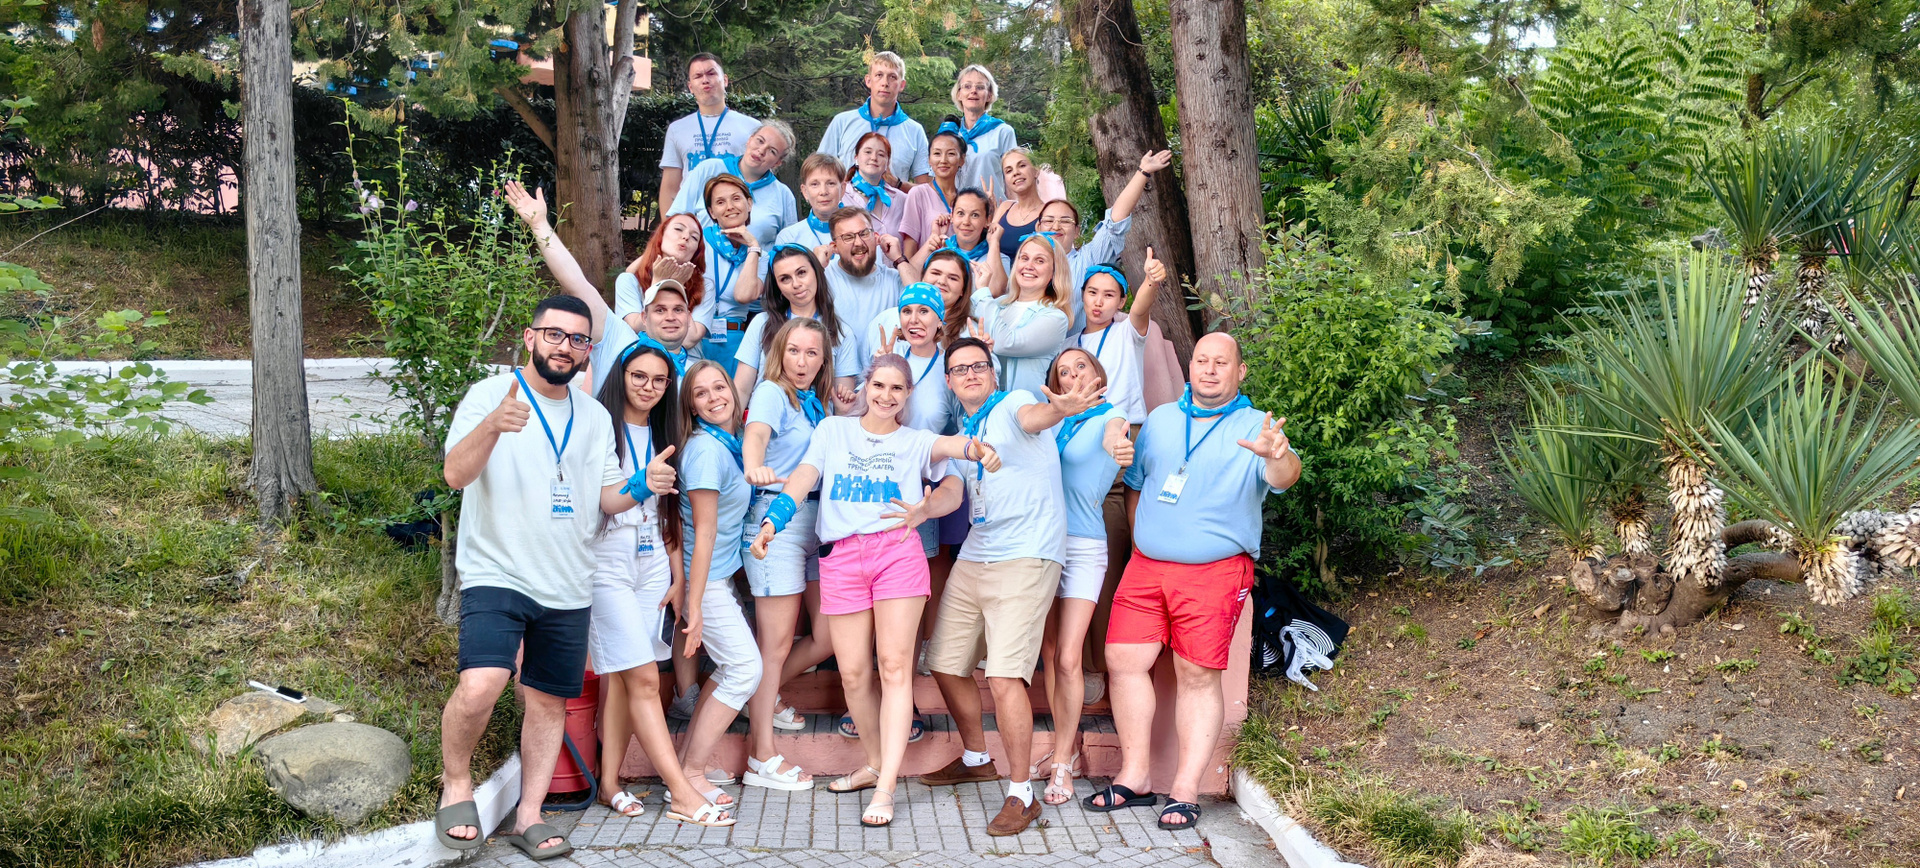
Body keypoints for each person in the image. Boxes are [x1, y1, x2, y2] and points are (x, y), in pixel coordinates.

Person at [433, 295, 648, 860]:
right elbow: (455, 474)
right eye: (554, 334)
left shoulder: (594, 416)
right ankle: (456, 784)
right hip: (497, 570)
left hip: (568, 580)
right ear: (530, 338)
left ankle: (529, 814)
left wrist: (643, 484)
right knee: (481, 684)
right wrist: (493, 427)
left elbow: (606, 496)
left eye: (578, 339)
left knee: (549, 703)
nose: (565, 347)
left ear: (587, 351)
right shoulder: (490, 395)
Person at [749, 353, 985, 827]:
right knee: (854, 674)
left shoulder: (915, 440)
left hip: (896, 554)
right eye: (879, 385)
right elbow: (805, 477)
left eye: (897, 388)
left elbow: (954, 463)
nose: (886, 395)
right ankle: (874, 762)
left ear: (908, 394)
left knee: (894, 668)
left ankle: (886, 787)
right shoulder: (833, 430)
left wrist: (975, 452)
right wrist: (774, 521)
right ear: (865, 387)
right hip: (841, 557)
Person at [1086, 333, 1301, 831]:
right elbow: (1136, 485)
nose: (1209, 369)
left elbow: (1285, 476)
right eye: (1202, 360)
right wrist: (1142, 542)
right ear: (1190, 367)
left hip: (1215, 570)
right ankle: (1135, 776)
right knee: (1123, 661)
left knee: (1197, 674)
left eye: (1221, 362)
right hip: (1147, 566)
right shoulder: (1161, 420)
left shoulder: (1258, 426)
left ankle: (1184, 789)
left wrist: (1277, 455)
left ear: (1239, 372)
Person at [917, 337, 1106, 838]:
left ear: (993, 373)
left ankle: (1021, 794)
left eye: (978, 366)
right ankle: (977, 758)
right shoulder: (964, 433)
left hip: (1028, 554)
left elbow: (1036, 417)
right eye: (960, 369)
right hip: (977, 553)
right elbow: (954, 490)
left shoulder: (1013, 403)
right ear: (949, 381)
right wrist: (924, 509)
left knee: (1004, 678)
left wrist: (1060, 407)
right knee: (945, 662)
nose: (970, 374)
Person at [586, 341, 736, 827]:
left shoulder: (663, 432)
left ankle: (609, 784)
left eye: (659, 379)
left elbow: (668, 509)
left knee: (625, 677)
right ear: (620, 376)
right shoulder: (597, 425)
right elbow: (601, 499)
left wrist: (677, 572)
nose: (648, 387)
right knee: (646, 678)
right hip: (607, 561)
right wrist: (640, 482)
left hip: (652, 563)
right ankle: (682, 793)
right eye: (639, 376)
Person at [736, 318, 837, 794]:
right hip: (777, 520)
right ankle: (761, 756)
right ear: (779, 352)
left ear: (823, 360)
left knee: (828, 635)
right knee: (773, 647)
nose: (802, 361)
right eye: (794, 350)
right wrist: (753, 464)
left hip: (818, 522)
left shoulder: (814, 402)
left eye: (811, 353)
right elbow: (756, 434)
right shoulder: (772, 392)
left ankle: (758, 694)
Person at [1032, 347, 1132, 805]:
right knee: (1051, 653)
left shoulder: (1112, 416)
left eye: (1081, 367)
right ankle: (1065, 748)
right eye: (1064, 371)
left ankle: (1061, 766)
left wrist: (1119, 446)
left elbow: (1116, 436)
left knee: (1069, 658)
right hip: (1041, 543)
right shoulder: (1053, 421)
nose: (1073, 375)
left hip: (1082, 545)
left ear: (1097, 374)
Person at [672, 360, 765, 812]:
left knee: (733, 668)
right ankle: (689, 774)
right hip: (703, 579)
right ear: (690, 406)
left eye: (719, 387)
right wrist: (694, 606)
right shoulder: (706, 450)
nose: (713, 398)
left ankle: (688, 764)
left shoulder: (728, 444)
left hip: (716, 576)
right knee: (745, 669)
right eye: (701, 393)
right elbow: (704, 532)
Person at [504, 182, 701, 386]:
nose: (670, 317)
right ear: (644, 316)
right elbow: (576, 282)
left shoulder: (697, 378)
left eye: (678, 310)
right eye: (659, 310)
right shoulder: (619, 341)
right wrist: (539, 225)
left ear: (689, 318)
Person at [1032, 150, 1173, 334]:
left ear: (1076, 231)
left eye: (1065, 221)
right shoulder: (1025, 264)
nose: (1056, 226)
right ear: (1038, 227)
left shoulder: (1089, 259)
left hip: (1076, 348)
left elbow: (1114, 223)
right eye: (1049, 220)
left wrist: (1143, 171)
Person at [734, 244, 861, 401]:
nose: (796, 284)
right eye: (785, 278)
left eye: (801, 273)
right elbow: (741, 390)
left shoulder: (842, 332)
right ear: (778, 287)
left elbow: (842, 401)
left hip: (818, 416)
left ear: (816, 272)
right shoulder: (761, 323)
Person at [668, 121, 799, 250]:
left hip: (756, 263)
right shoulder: (708, 169)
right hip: (701, 262)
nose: (761, 150)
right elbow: (676, 220)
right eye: (760, 141)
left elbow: (788, 249)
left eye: (772, 151)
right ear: (749, 140)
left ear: (778, 163)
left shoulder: (784, 195)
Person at [969, 232, 1072, 396]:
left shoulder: (1056, 318)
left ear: (1054, 272)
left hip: (1027, 409)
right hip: (987, 406)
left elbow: (1004, 343)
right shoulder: (997, 304)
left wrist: (982, 291)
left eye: (1040, 260)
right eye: (1024, 258)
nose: (1029, 266)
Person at [659, 53, 762, 211]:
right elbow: (669, 189)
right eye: (698, 76)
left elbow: (761, 181)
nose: (705, 80)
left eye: (711, 73)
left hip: (736, 215)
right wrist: (669, 224)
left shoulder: (752, 127)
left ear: (725, 80)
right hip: (692, 219)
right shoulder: (677, 129)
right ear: (690, 87)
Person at [1077, 247, 1166, 426]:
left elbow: (1140, 309)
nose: (1098, 302)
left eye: (1109, 295)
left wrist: (1150, 281)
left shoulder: (1127, 333)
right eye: (1092, 292)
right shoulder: (1067, 345)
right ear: (1082, 295)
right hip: (1079, 430)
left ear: (1121, 302)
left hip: (1125, 428)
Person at [817, 51, 931, 186]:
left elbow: (925, 191)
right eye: (879, 75)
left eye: (892, 77)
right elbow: (820, 174)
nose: (885, 83)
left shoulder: (915, 131)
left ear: (902, 85)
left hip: (894, 200)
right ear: (868, 80)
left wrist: (897, 184)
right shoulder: (842, 122)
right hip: (846, 200)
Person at [690, 174, 767, 367]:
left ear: (749, 204)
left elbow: (744, 295)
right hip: (694, 335)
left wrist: (753, 248)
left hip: (734, 341)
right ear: (712, 212)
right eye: (720, 202)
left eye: (736, 198)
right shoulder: (697, 243)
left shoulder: (760, 256)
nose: (730, 206)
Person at [820, 207, 907, 344]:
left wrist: (899, 259)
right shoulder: (824, 278)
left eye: (864, 233)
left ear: (876, 238)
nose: (859, 243)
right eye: (848, 237)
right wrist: (816, 266)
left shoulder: (895, 279)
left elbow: (921, 303)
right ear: (834, 247)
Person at [909, 187, 1007, 299]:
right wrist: (934, 237)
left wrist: (994, 243)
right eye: (960, 213)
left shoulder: (998, 258)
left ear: (987, 220)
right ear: (952, 216)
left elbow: (996, 291)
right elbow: (907, 278)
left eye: (975, 215)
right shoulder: (940, 250)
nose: (966, 222)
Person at [897, 118, 967, 261]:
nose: (943, 160)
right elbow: (909, 253)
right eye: (937, 154)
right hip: (926, 271)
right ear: (929, 159)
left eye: (951, 154)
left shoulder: (966, 200)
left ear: (962, 160)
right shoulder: (919, 194)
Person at [951, 65, 1018, 200]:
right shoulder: (950, 135)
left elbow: (1013, 181)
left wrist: (1012, 210)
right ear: (959, 94)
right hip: (958, 211)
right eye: (967, 86)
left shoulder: (1002, 132)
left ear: (989, 95)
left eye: (980, 87)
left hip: (994, 209)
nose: (973, 91)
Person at [775, 153, 848, 261]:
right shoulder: (789, 238)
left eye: (831, 183)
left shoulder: (859, 231)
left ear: (842, 189)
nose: (823, 191)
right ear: (805, 192)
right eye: (815, 184)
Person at [838, 132, 911, 240]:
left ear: (887, 163)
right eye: (868, 152)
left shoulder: (901, 200)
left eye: (881, 154)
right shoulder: (840, 197)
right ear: (856, 158)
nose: (873, 158)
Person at [993, 149, 1046, 262]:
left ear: (1036, 170)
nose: (1015, 173)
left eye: (1022, 166)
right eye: (1009, 171)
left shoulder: (1048, 212)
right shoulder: (1005, 207)